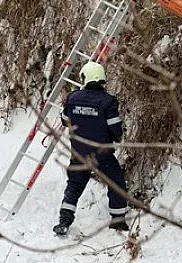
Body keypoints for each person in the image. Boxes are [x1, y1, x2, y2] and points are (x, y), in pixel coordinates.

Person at [53, 62, 129, 235]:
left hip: (79, 154)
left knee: (74, 186)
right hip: (102, 156)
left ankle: (64, 220)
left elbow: (65, 119)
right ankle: (118, 221)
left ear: (85, 78)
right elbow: (116, 129)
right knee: (116, 184)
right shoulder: (108, 102)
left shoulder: (72, 98)